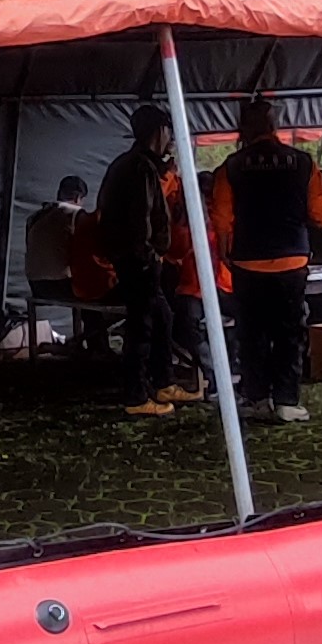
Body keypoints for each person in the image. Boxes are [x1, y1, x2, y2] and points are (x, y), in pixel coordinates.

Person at [207, 98, 322, 422]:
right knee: (290, 332)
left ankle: (256, 399)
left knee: (251, 334)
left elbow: (221, 217)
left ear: (243, 128)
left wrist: (225, 252)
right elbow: (318, 214)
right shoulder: (304, 162)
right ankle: (287, 402)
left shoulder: (231, 167)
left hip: (248, 262)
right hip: (291, 261)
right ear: (274, 125)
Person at [96, 107, 183, 415]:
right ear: (158, 131)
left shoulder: (128, 164)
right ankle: (136, 396)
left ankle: (163, 382)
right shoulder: (140, 168)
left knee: (162, 317)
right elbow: (139, 218)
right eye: (168, 132)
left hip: (131, 256)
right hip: (139, 260)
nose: (171, 139)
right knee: (141, 325)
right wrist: (148, 255)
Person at [24, 175, 90, 301]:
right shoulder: (76, 214)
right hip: (64, 286)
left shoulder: (34, 217)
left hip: (36, 287)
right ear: (77, 198)